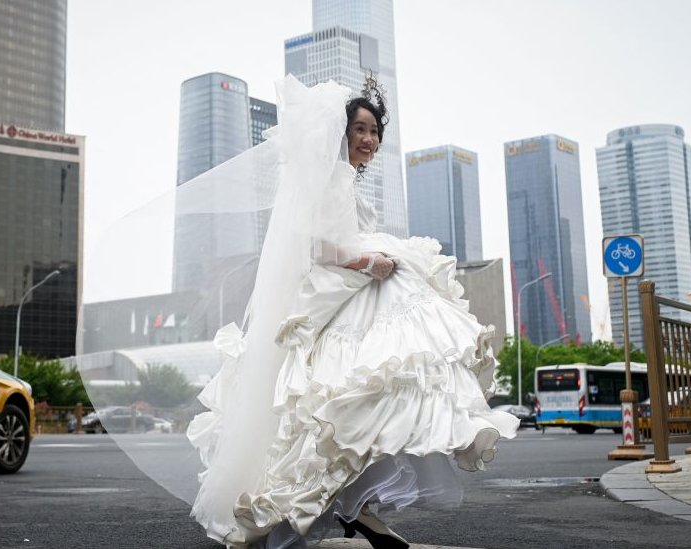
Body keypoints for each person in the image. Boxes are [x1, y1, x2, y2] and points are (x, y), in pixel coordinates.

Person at [186, 74, 519, 549]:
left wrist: (373, 262)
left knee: (362, 407)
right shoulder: (327, 182)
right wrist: (369, 261)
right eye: (360, 129)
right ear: (340, 134)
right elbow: (315, 246)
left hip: (349, 291)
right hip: (333, 295)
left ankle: (360, 511)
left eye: (374, 131)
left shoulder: (342, 182)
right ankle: (348, 510)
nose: (370, 139)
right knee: (341, 406)